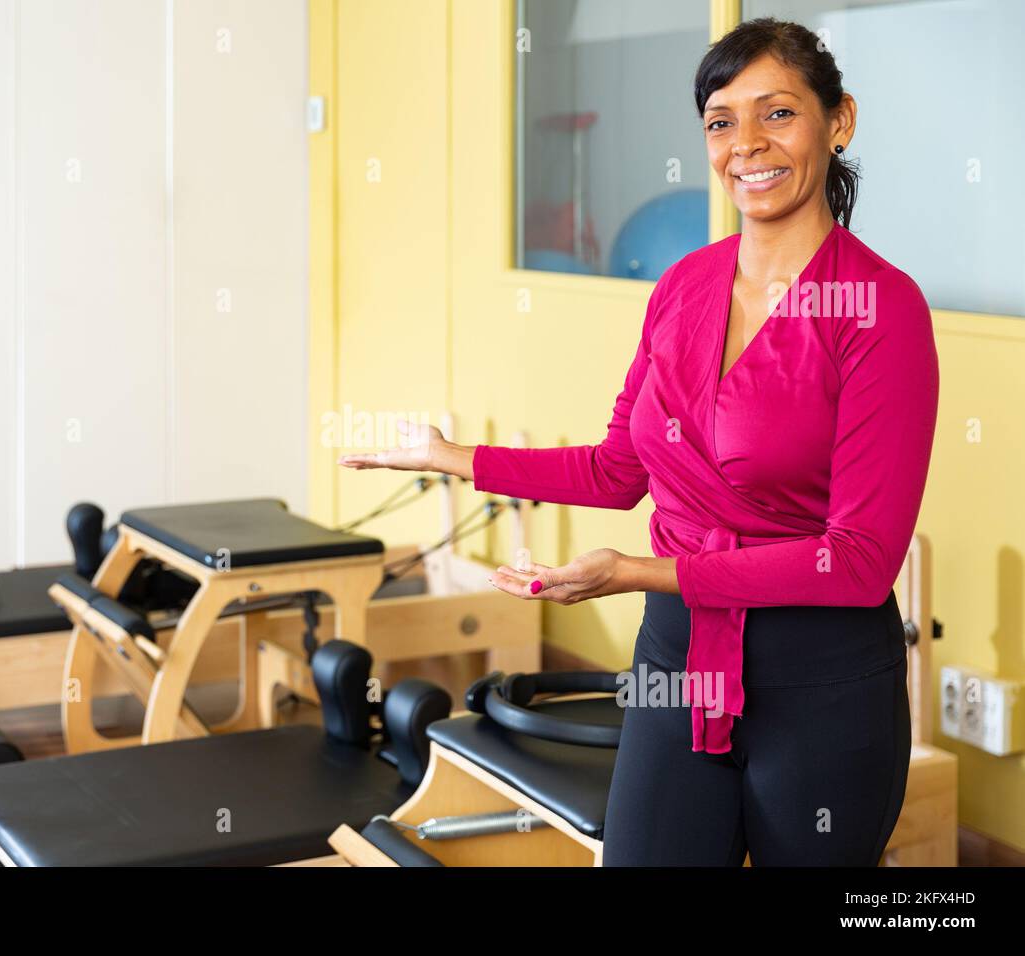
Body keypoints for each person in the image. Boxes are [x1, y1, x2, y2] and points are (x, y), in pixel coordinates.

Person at [338, 18, 938, 866]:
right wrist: (454, 457)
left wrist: (634, 575)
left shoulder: (882, 309)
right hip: (678, 661)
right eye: (722, 122)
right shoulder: (683, 286)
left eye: (779, 114)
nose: (747, 145)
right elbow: (621, 467)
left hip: (821, 684)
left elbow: (861, 560)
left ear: (838, 120)